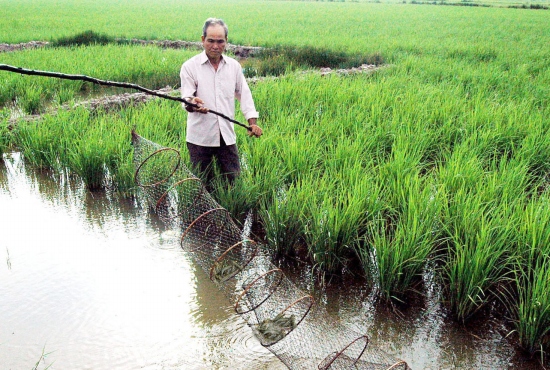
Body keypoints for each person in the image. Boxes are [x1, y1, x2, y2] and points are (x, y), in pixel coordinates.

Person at [180, 18, 262, 189]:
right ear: (203, 40)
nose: (215, 46)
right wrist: (193, 103)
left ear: (226, 42)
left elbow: (244, 95)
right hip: (200, 138)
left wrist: (252, 123)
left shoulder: (234, 67)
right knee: (202, 186)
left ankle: (232, 210)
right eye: (211, 41)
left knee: (233, 183)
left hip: (226, 135)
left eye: (220, 41)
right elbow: (186, 98)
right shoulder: (190, 67)